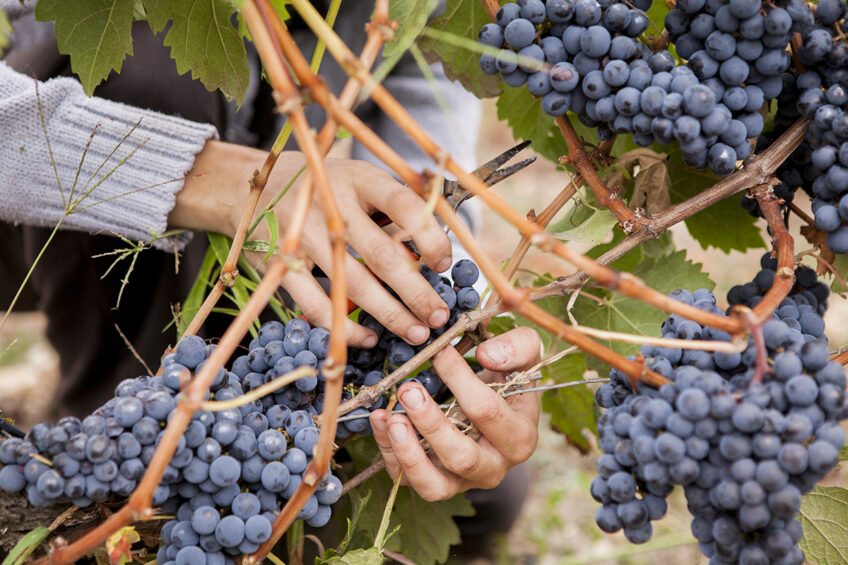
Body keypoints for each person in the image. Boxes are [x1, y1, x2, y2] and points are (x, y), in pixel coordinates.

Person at [0, 0, 540, 555]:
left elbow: (422, 154)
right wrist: (225, 183)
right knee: (141, 66)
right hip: (31, 205)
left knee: (480, 498)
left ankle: (209, 457)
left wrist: (443, 306)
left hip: (273, 247)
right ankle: (107, 442)